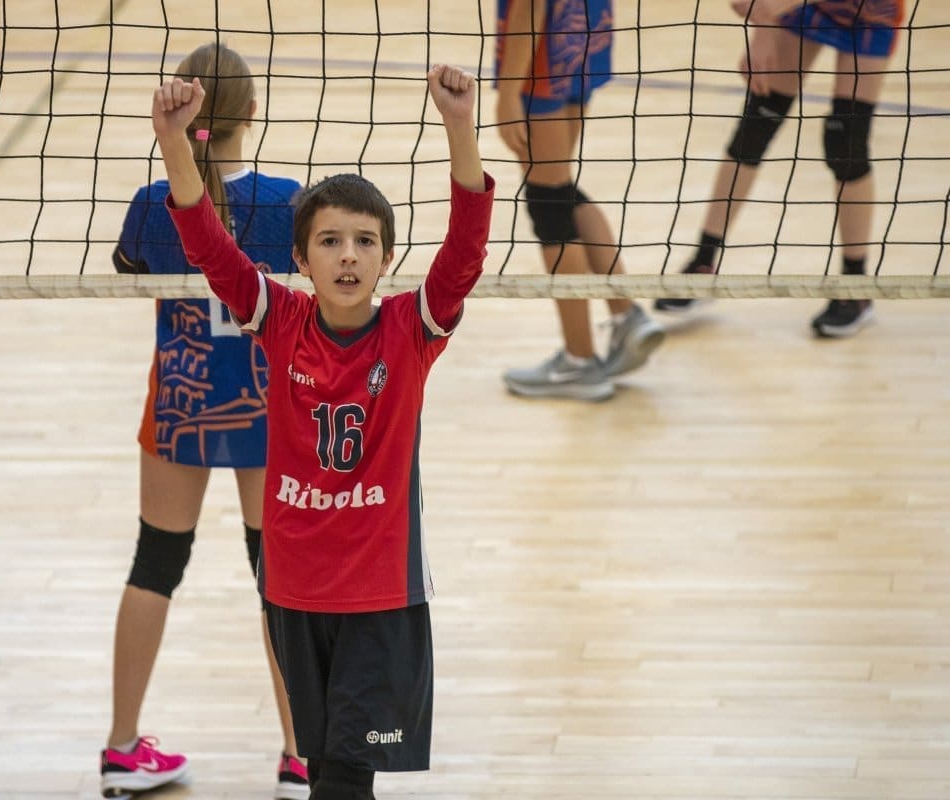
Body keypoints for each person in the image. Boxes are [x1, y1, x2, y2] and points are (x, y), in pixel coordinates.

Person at [152, 62, 493, 800]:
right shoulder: (280, 321)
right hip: (295, 589)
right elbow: (208, 246)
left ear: (387, 258)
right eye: (330, 241)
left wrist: (460, 125)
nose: (348, 255)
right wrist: (176, 142)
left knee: (345, 778)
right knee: (323, 772)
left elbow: (466, 252)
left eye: (365, 242)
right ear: (300, 259)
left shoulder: (411, 328)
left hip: (382, 596)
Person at [101, 42, 309, 800]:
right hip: (268, 406)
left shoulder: (152, 205)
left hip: (182, 403)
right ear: (251, 113)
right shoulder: (289, 203)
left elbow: (131, 270)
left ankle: (122, 748)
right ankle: (302, 759)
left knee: (155, 564)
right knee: (279, 578)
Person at [655, 0, 905, 337]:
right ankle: (703, 262)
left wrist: (766, 13)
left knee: (846, 142)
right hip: (805, 7)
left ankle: (855, 287)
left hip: (870, 12)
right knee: (758, 122)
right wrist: (763, 28)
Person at [494, 0, 665, 401]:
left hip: (542, 49)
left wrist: (508, 92)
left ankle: (579, 360)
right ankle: (625, 316)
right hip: (581, 28)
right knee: (558, 189)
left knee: (548, 200)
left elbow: (530, 6)